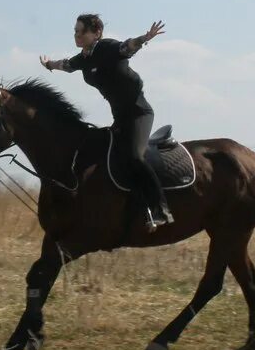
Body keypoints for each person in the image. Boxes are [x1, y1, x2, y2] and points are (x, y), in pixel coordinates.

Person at [40, 14, 172, 231]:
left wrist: (145, 37)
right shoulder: (84, 58)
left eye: (81, 31)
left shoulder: (107, 48)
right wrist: (48, 65)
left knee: (135, 157)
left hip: (139, 113)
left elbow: (127, 47)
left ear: (97, 33)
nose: (77, 35)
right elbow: (66, 65)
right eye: (75, 31)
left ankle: (160, 209)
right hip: (120, 118)